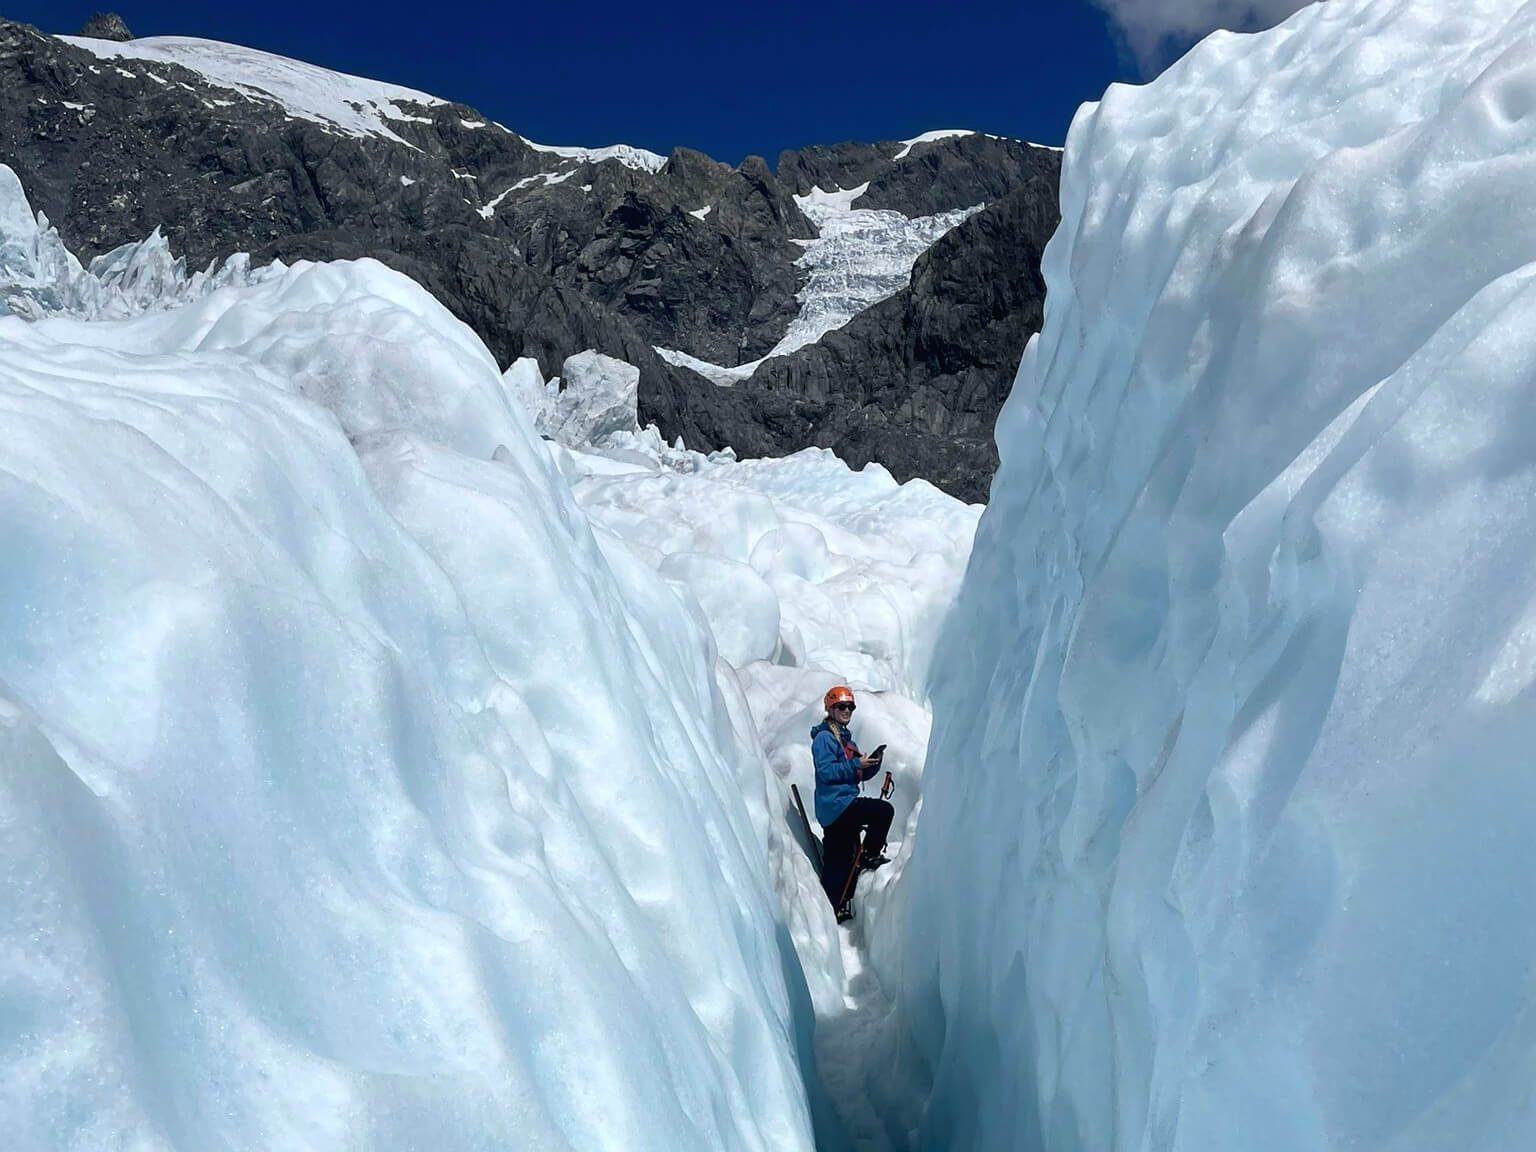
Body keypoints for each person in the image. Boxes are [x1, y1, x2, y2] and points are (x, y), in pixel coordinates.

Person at [810, 685, 894, 921]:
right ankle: (870, 856)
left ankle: (830, 913)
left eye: (850, 706)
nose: (847, 710)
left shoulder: (845, 740)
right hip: (838, 805)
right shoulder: (824, 739)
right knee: (883, 811)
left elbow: (854, 773)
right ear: (830, 709)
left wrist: (872, 765)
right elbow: (827, 772)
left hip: (837, 807)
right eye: (841, 706)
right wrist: (858, 765)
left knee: (839, 862)